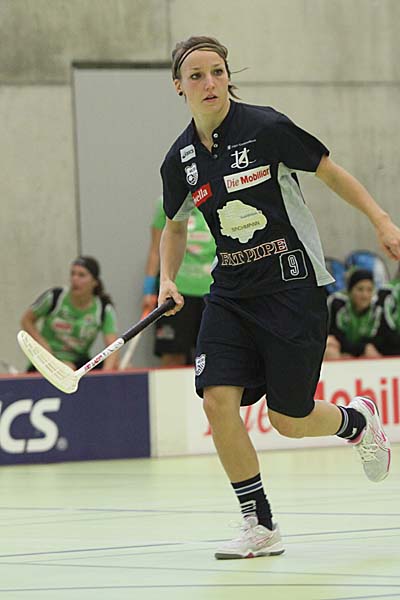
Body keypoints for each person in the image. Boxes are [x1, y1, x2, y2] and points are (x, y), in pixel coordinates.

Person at [157, 35, 400, 560]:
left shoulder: (265, 128)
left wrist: (381, 220)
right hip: (231, 293)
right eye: (196, 76)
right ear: (179, 86)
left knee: (289, 420)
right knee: (216, 400)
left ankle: (356, 422)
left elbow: (330, 172)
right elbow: (174, 225)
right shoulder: (180, 161)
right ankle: (259, 523)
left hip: (293, 287)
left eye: (217, 72)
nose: (209, 83)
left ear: (228, 77)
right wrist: (166, 279)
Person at [143, 196, 216, 366]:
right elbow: (155, 250)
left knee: (213, 356)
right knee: (172, 355)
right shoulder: (168, 200)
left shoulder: (216, 195)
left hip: (212, 291)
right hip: (177, 290)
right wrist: (148, 290)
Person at [21, 256, 119, 371]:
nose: (74, 279)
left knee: (118, 367)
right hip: (47, 360)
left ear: (95, 282)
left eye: (81, 275)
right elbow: (26, 320)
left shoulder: (103, 309)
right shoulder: (54, 297)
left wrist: (106, 375)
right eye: (72, 274)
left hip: (79, 364)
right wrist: (44, 347)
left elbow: (112, 347)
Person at [325, 269, 385, 359]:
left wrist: (361, 350)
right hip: (341, 349)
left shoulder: (377, 308)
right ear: (350, 291)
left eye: (369, 290)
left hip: (359, 351)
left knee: (371, 351)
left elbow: (377, 339)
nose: (365, 295)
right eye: (360, 289)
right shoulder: (337, 303)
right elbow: (335, 334)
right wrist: (360, 349)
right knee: (330, 347)